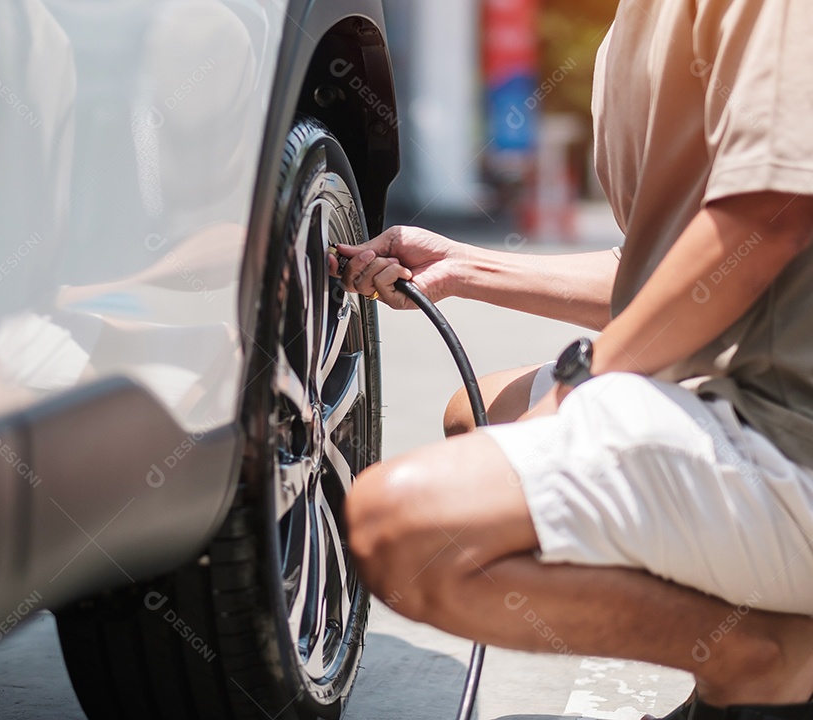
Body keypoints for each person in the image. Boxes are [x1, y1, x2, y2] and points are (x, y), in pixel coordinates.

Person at [337, 1, 813, 716]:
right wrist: (464, 267)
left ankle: (765, 662)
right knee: (479, 414)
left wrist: (579, 390)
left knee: (403, 530)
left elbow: (770, 216)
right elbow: (662, 273)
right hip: (749, 396)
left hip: (793, 430)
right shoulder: (633, 25)